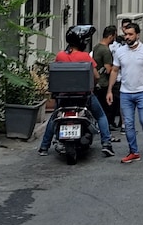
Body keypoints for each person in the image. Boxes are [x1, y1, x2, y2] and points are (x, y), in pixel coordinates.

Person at [38, 26, 115, 157]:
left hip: (63, 96)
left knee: (54, 117)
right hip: (83, 95)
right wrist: (92, 85)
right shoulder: (85, 56)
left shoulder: (60, 55)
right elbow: (96, 76)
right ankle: (106, 143)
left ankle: (44, 146)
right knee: (101, 116)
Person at [107, 22, 143, 163]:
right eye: (125, 34)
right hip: (125, 93)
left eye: (130, 34)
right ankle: (134, 152)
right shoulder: (120, 52)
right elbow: (114, 71)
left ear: (137, 35)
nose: (127, 37)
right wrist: (109, 90)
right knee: (128, 124)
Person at [93, 25, 121, 133]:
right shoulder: (106, 50)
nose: (114, 39)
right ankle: (107, 125)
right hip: (104, 83)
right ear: (110, 36)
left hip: (97, 82)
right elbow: (108, 69)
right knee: (109, 106)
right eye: (114, 36)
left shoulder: (96, 47)